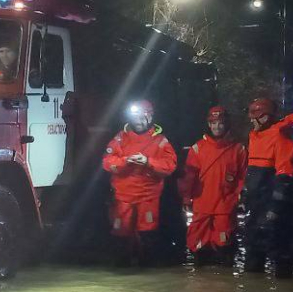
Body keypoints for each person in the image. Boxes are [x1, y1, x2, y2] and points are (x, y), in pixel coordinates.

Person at [102, 100, 177, 266]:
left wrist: (148, 161)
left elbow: (169, 165)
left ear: (150, 117)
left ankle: (147, 268)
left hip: (148, 197)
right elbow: (107, 162)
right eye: (136, 117)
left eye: (143, 117)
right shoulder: (120, 138)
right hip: (123, 196)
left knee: (147, 233)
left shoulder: (160, 141)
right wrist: (126, 161)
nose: (139, 121)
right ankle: (122, 268)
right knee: (121, 233)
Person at [178, 106, 247, 265]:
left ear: (226, 124)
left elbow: (242, 177)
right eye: (213, 123)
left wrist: (238, 197)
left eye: (221, 123)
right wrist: (186, 198)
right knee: (197, 246)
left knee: (224, 246)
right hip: (201, 204)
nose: (217, 127)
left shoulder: (238, 149)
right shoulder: (197, 148)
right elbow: (189, 177)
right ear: (209, 124)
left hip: (225, 205)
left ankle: (224, 285)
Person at [244, 98, 293, 277]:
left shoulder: (280, 136)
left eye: (255, 117)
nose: (251, 120)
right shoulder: (255, 136)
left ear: (266, 117)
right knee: (253, 248)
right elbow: (252, 172)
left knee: (278, 248)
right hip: (257, 204)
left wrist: (275, 207)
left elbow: (286, 175)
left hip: (273, 206)